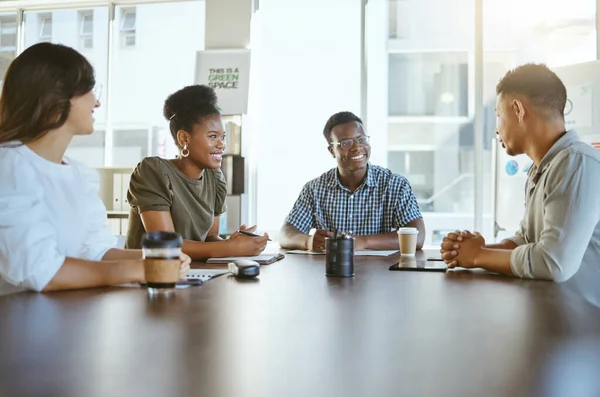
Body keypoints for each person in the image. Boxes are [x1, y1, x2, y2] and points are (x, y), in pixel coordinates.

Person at [0, 43, 190, 296]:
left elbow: (98, 252)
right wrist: (143, 269)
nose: (97, 102)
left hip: (65, 319)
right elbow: (42, 271)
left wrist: (163, 258)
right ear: (57, 98)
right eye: (89, 90)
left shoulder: (80, 175)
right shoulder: (9, 167)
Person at [441, 63, 600, 305]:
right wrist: (471, 250)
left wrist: (478, 256)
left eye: (498, 115)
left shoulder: (576, 161)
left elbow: (553, 262)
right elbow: (528, 240)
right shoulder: (543, 167)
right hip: (554, 315)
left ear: (517, 109)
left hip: (583, 327)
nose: (497, 130)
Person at [125, 85, 269, 259]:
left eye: (223, 137)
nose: (222, 145)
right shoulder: (154, 171)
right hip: (147, 277)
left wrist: (232, 242)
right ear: (184, 138)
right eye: (213, 136)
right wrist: (231, 248)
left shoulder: (215, 178)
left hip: (193, 274)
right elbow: (165, 246)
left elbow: (209, 238)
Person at [279, 111, 425, 252]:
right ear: (332, 151)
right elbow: (286, 234)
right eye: (346, 143)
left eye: (361, 140)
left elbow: (417, 237)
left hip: (380, 273)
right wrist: (308, 241)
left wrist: (363, 241)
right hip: (330, 273)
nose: (356, 148)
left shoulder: (395, 185)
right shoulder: (314, 189)